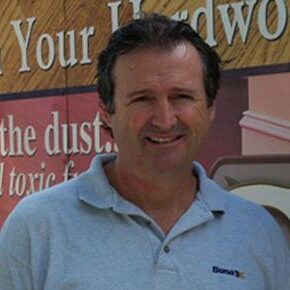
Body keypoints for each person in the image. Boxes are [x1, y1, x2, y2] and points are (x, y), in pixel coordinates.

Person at [0, 13, 289, 290]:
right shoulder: (36, 228)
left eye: (182, 97)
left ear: (210, 107)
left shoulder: (257, 231)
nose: (164, 119)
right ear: (106, 111)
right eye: (142, 99)